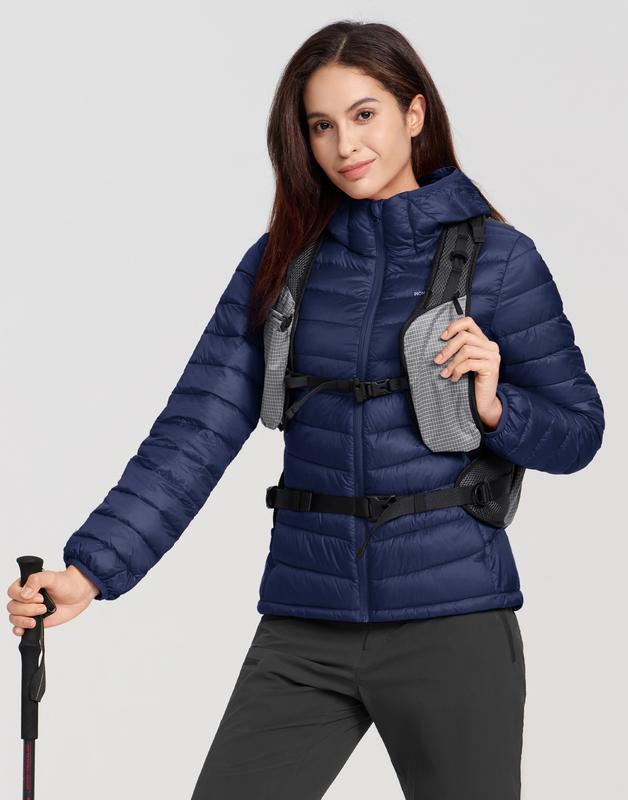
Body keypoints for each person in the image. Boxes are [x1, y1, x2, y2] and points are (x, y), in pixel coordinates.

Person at [6, 20, 605, 800]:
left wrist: (498, 409)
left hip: (453, 620)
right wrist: (91, 570)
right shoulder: (281, 262)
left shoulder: (500, 259)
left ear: (414, 113)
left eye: (364, 114)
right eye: (321, 125)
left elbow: (579, 433)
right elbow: (194, 433)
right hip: (305, 625)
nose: (344, 144)